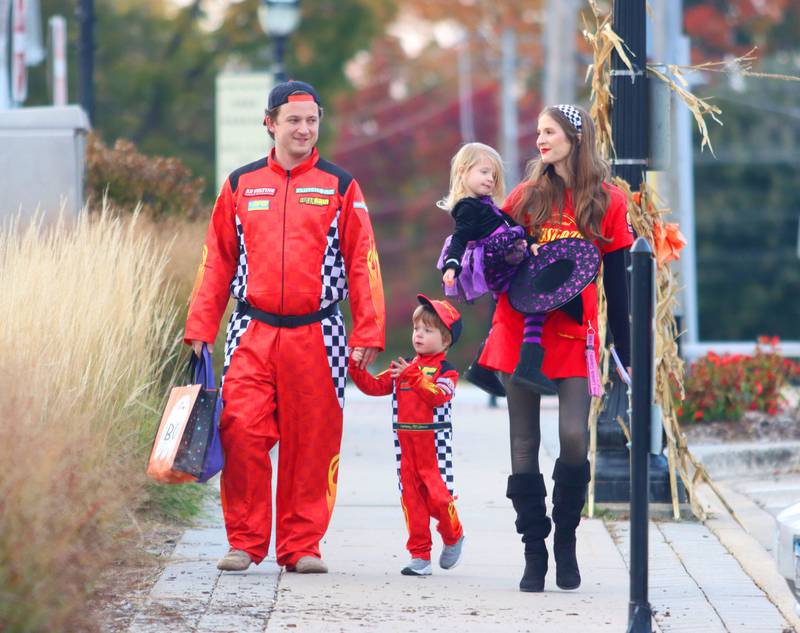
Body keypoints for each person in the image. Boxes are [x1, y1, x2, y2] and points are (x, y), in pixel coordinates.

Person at [184, 80, 386, 574]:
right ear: (270, 123)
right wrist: (200, 325)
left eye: (312, 120)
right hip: (251, 331)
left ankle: (301, 546)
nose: (304, 129)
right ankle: (245, 542)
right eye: (293, 120)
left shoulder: (340, 186)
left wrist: (367, 332)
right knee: (240, 431)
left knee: (311, 441)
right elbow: (217, 263)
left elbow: (364, 262)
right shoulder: (239, 185)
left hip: (321, 334)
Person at [479, 104, 633, 592]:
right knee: (523, 442)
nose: (540, 139)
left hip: (574, 337)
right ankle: (534, 549)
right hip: (518, 331)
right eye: (538, 132)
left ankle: (564, 537)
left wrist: (624, 350)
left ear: (575, 137)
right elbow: (495, 270)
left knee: (572, 437)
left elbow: (620, 284)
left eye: (550, 132)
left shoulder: (608, 201)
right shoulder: (525, 197)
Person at [348, 294, 465, 576]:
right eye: (416, 329)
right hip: (406, 444)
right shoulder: (403, 367)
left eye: (428, 330)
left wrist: (413, 376)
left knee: (438, 497)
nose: (419, 335)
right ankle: (419, 555)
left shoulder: (446, 372)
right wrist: (356, 366)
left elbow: (438, 397)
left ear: (446, 339)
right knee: (412, 501)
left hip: (433, 445)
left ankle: (453, 535)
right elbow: (375, 387)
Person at [436, 142, 557, 395]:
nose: (490, 179)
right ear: (463, 171)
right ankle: (529, 364)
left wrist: (532, 243)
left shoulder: (486, 205)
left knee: (518, 311)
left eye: (494, 175)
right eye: (483, 172)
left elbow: (513, 224)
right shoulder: (467, 207)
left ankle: (482, 368)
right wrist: (452, 264)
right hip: (498, 264)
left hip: (507, 257)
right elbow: (459, 238)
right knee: (537, 300)